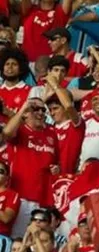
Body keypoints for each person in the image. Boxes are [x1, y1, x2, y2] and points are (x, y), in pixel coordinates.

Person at [1, 97, 58, 238]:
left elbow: (56, 163)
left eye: (42, 109)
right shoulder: (20, 130)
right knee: (18, 240)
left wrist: (56, 169)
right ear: (26, 112)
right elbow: (6, 134)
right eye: (35, 109)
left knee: (38, 243)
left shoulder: (52, 134)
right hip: (21, 198)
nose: (40, 112)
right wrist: (23, 109)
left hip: (43, 199)